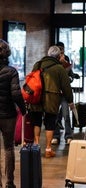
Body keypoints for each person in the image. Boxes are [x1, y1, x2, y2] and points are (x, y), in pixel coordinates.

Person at [30, 45, 74, 158]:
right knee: (50, 123)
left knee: (36, 122)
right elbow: (66, 87)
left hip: (36, 98)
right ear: (59, 56)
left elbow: (32, 80)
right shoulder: (59, 68)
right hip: (51, 99)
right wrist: (70, 101)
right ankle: (48, 149)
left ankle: (36, 146)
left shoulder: (38, 64)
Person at [0, 39, 26, 188]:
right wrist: (23, 109)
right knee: (8, 148)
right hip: (8, 115)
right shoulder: (11, 72)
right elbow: (16, 94)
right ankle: (9, 182)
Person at [51, 42, 79, 145]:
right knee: (54, 115)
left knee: (66, 115)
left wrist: (68, 78)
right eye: (59, 49)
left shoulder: (66, 59)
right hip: (54, 92)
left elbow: (70, 75)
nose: (61, 51)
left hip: (64, 93)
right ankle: (56, 136)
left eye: (62, 49)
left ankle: (68, 136)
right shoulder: (52, 60)